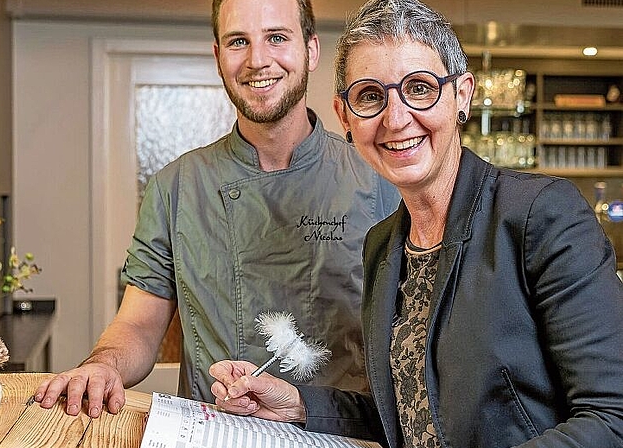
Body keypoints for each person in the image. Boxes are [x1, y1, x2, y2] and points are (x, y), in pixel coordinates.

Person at [208, 0, 623, 446]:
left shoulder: (540, 213)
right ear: (345, 115)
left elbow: (611, 416)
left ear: (461, 95)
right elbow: (407, 412)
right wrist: (297, 403)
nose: (396, 118)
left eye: (420, 88)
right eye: (370, 96)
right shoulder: (383, 245)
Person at [33, 0, 399, 419]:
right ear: (218, 55)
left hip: (339, 434)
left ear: (311, 50)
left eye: (276, 37)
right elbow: (138, 325)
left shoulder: (378, 180)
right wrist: (102, 366)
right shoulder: (175, 188)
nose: (258, 60)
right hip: (216, 431)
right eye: (238, 41)